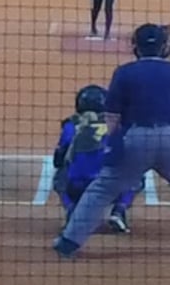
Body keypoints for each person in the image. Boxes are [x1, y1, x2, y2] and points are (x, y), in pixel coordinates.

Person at [53, 24, 170, 259]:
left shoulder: (124, 72)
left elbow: (112, 117)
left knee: (101, 190)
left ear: (135, 47)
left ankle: (69, 241)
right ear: (163, 47)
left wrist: (117, 142)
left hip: (135, 139)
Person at [52, 85, 136, 234]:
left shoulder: (71, 125)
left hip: (77, 187)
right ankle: (118, 211)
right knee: (136, 173)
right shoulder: (118, 125)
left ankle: (72, 211)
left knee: (59, 177)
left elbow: (58, 160)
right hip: (109, 186)